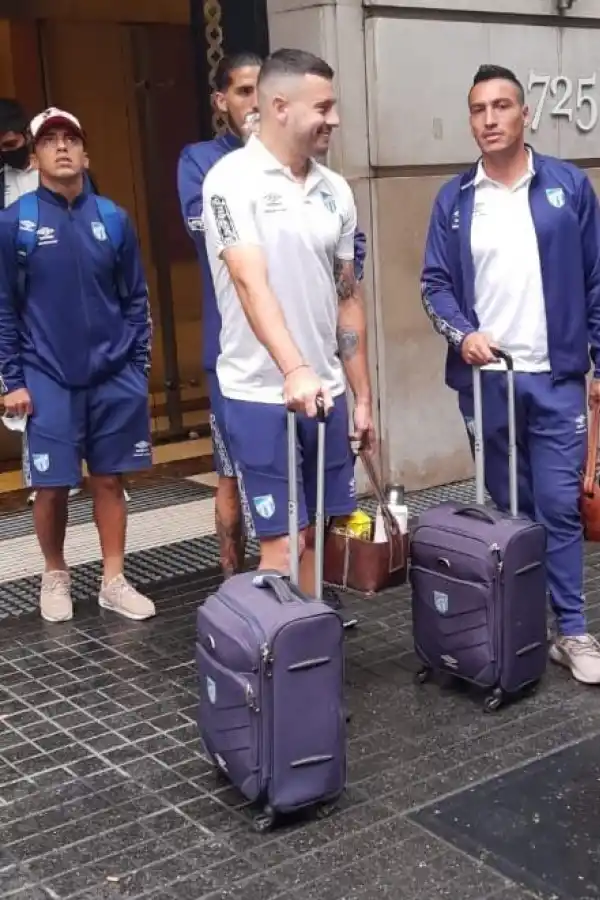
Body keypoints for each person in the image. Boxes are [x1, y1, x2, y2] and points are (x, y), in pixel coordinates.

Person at [421, 64, 600, 685]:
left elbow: (596, 281)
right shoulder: (455, 200)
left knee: (558, 506)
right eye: (478, 109)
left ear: (526, 114)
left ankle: (572, 631)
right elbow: (434, 286)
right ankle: (518, 627)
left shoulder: (568, 187)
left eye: (501, 106)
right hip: (488, 384)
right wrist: (464, 335)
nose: (489, 119)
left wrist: (595, 364)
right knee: (506, 508)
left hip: (557, 381)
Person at [178, 52, 368, 584]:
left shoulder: (337, 190)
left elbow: (347, 294)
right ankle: (271, 656)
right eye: (323, 107)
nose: (333, 119)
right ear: (280, 107)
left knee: (316, 538)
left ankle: (308, 657)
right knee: (282, 546)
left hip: (325, 393)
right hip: (261, 395)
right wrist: (292, 368)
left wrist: (364, 397)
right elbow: (247, 280)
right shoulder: (229, 181)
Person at [0, 107, 155, 623]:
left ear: (86, 154)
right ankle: (55, 574)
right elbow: (4, 307)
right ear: (35, 155)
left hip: (113, 375)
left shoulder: (112, 218)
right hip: (46, 375)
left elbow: (135, 298)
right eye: (50, 141)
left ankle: (114, 580)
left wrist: (136, 367)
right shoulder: (15, 223)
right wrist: (12, 381)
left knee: (110, 480)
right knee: (50, 484)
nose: (62, 147)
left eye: (71, 139)